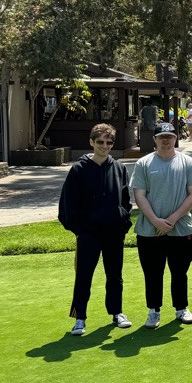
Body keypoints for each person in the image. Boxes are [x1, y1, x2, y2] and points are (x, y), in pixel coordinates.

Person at [58, 123, 133, 335]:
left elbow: (126, 201)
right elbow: (67, 205)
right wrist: (79, 229)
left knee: (115, 275)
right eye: (100, 142)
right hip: (88, 234)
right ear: (91, 142)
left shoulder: (119, 168)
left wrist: (122, 222)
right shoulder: (78, 169)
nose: (105, 146)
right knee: (84, 276)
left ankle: (117, 312)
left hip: (113, 233)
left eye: (109, 142)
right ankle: (79, 317)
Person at [130, 121, 192, 328]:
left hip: (180, 229)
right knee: (153, 273)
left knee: (179, 271)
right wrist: (156, 221)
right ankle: (153, 311)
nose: (166, 140)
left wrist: (170, 221)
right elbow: (139, 195)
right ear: (154, 140)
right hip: (149, 230)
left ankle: (181, 308)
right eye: (161, 137)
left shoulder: (188, 163)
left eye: (169, 136)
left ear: (175, 138)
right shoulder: (144, 163)